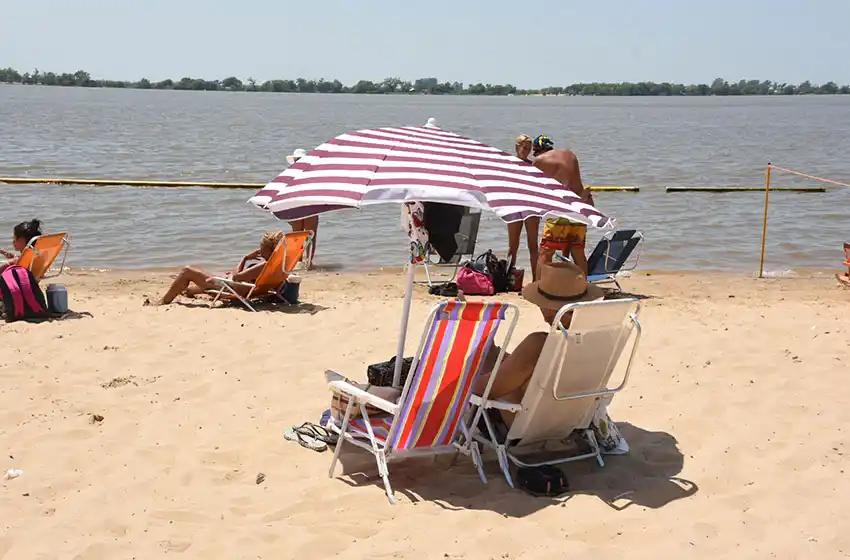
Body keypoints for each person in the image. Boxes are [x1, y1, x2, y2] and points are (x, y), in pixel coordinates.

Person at [147, 231, 283, 305]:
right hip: (243, 290)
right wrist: (245, 262)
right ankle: (187, 291)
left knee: (188, 271)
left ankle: (163, 301)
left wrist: (243, 261)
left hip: (229, 289)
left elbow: (236, 277)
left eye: (261, 247)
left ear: (267, 249)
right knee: (199, 279)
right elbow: (242, 278)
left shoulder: (263, 265)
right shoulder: (277, 265)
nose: (259, 249)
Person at [531, 135, 595, 277]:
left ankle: (538, 286)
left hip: (562, 211)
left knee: (545, 252)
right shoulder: (570, 155)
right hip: (580, 208)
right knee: (578, 253)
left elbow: (530, 186)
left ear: (537, 151)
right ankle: (583, 287)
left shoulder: (540, 160)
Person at [506, 135, 541, 280]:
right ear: (516, 147)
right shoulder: (508, 164)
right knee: (512, 245)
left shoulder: (533, 166)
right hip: (513, 206)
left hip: (531, 207)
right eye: (523, 147)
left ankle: (535, 279)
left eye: (528, 148)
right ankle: (508, 278)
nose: (525, 151)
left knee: (533, 244)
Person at [285, 148, 318, 268]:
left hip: (297, 206)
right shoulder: (312, 174)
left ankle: (298, 262)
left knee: (297, 236)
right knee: (309, 236)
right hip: (309, 206)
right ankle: (307, 263)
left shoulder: (290, 174)